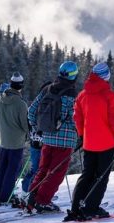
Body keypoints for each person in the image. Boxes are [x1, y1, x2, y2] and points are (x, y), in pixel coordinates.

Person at [64, 62, 114, 221]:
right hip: (106, 144)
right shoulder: (109, 95)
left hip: (89, 143)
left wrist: (81, 135)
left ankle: (76, 207)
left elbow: (77, 117)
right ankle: (91, 208)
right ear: (106, 76)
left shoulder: (82, 95)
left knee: (87, 175)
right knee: (101, 177)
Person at [26, 63, 79, 213]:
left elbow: (31, 112)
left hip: (47, 137)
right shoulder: (71, 94)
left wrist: (38, 129)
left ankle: (32, 198)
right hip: (64, 140)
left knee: (43, 169)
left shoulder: (47, 89)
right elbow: (75, 119)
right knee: (56, 172)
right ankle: (42, 201)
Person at [0, 72, 29, 205]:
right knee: (12, 170)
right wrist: (31, 133)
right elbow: (25, 124)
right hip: (16, 141)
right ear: (21, 86)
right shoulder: (21, 104)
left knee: (2, 168)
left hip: (3, 140)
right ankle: (5, 196)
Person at [21, 81, 52, 196]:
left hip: (35, 141)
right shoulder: (45, 107)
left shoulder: (33, 106)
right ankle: (29, 191)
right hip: (42, 142)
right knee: (40, 168)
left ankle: (28, 190)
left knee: (37, 168)